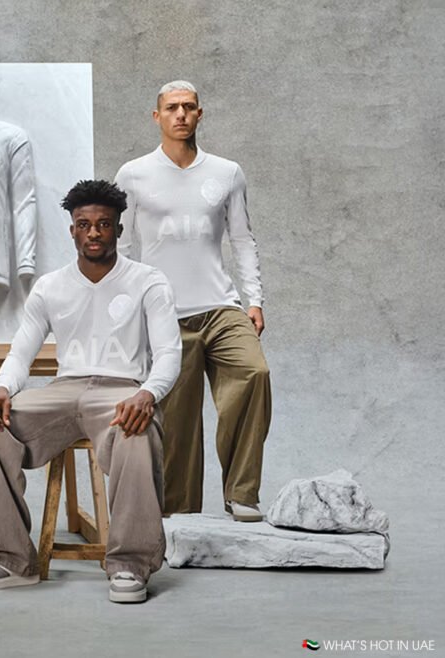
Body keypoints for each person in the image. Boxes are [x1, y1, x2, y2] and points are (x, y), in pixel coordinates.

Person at [0, 179, 181, 603]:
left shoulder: (148, 281)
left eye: (104, 224)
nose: (94, 232)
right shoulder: (49, 286)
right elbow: (21, 351)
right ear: (72, 230)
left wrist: (147, 394)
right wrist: (2, 388)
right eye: (84, 224)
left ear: (119, 229)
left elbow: (170, 353)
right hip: (65, 390)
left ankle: (130, 564)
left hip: (121, 390)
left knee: (135, 429)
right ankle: (12, 558)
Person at [114, 80, 272, 521]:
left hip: (222, 306)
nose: (180, 114)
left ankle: (241, 493)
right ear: (157, 116)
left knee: (254, 373)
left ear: (200, 114)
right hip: (164, 311)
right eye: (171, 108)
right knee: (177, 419)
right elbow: (122, 248)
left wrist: (254, 300)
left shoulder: (226, 172)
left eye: (188, 107)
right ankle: (179, 513)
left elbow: (242, 240)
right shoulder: (133, 174)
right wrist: (129, 308)